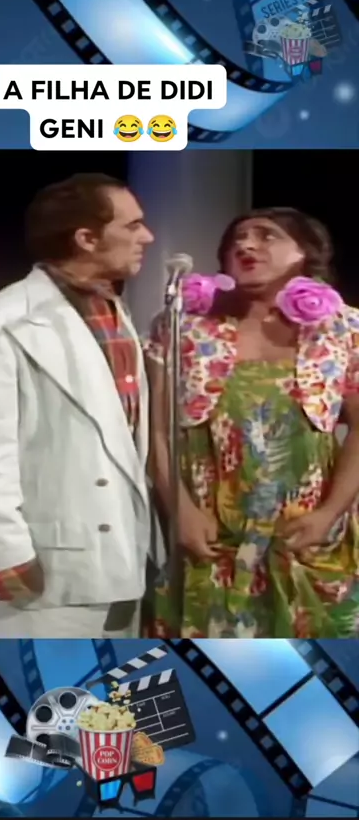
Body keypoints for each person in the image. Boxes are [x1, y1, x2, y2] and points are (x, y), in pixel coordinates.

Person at [0, 173, 157, 638]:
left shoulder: (110, 309)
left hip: (118, 556)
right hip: (41, 566)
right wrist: (0, 553)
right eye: (133, 225)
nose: (148, 237)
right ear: (86, 239)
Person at [144, 207, 359, 639]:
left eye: (266, 235)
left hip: (306, 529)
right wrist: (180, 509)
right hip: (212, 530)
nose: (245, 245)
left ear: (304, 251)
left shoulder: (344, 328)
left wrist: (328, 513)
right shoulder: (184, 326)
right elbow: (157, 432)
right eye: (237, 239)